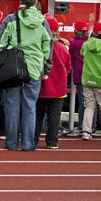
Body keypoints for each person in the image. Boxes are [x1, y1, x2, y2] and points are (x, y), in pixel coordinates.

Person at [0, 0, 51, 151]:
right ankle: (28, 143)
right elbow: (48, 48)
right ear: (35, 1)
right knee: (30, 107)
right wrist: (45, 70)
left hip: (13, 69)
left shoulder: (11, 19)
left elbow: (0, 44)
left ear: (20, 0)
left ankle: (11, 143)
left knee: (12, 106)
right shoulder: (42, 21)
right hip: (34, 68)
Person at [36, 15, 70, 149]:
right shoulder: (62, 48)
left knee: (38, 116)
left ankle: (33, 139)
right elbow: (68, 68)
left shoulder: (39, 47)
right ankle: (52, 141)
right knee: (54, 117)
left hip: (42, 88)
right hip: (58, 89)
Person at [80, 22, 101, 141]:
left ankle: (86, 131)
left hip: (88, 80)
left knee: (89, 106)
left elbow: (82, 54)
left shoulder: (86, 45)